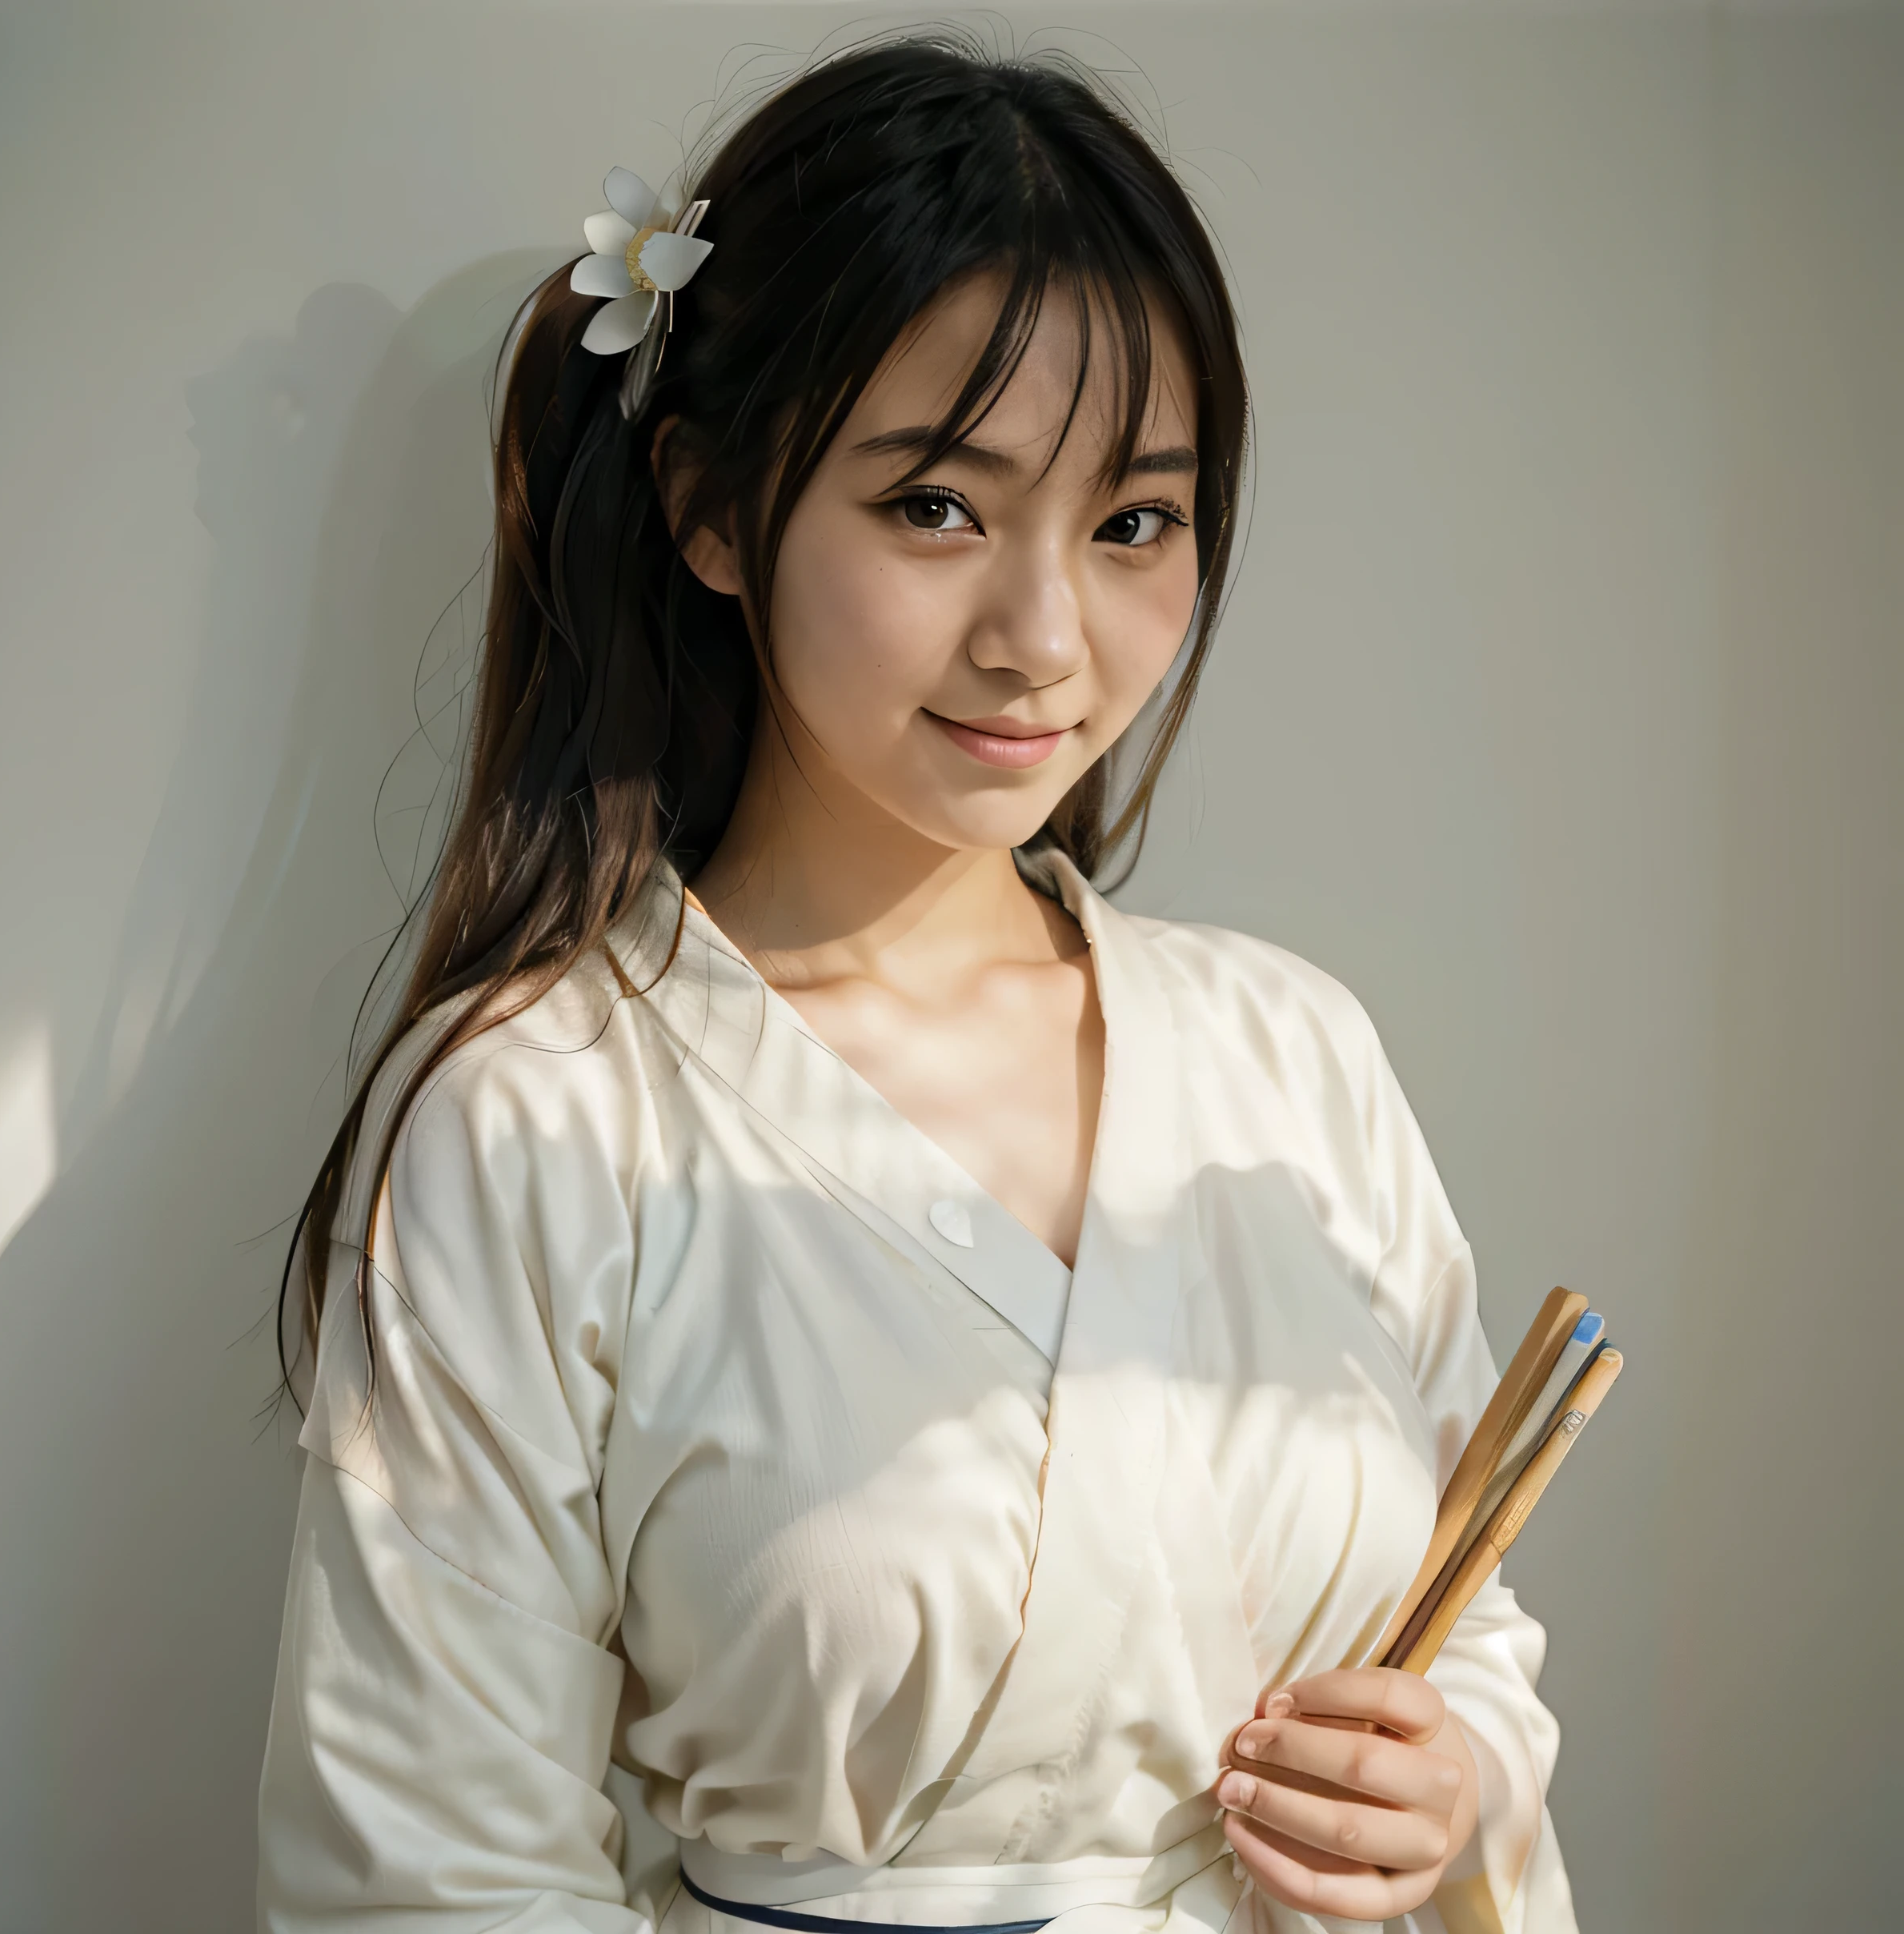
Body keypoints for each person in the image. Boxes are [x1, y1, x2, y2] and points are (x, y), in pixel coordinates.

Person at [259, 36, 1575, 1934]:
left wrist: (1442, 1777)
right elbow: (431, 1868)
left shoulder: (1293, 1054)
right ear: (710, 510)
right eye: (937, 507)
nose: (1044, 637)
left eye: (1132, 521)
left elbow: (1469, 1616)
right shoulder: (538, 1112)